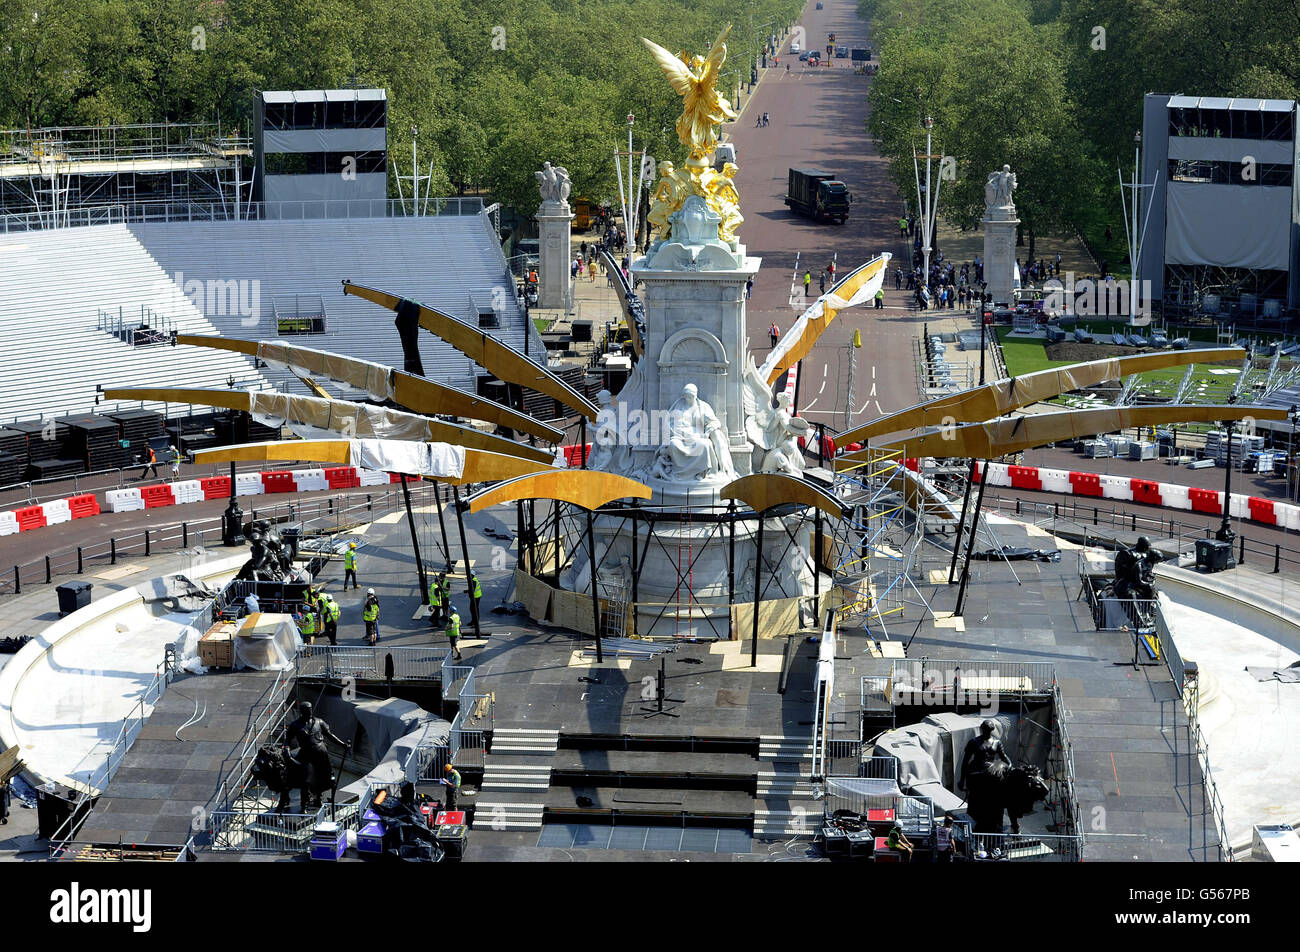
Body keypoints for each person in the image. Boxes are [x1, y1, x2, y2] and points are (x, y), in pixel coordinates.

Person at [284, 701, 345, 812]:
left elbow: (330, 735)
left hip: (321, 753)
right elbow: (287, 740)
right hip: (306, 754)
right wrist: (286, 751)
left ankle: (318, 798)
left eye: (311, 709)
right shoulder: (295, 725)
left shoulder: (319, 722)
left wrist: (343, 744)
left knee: (324, 777)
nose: (310, 711)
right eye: (307, 710)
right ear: (302, 711)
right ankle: (304, 805)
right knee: (306, 780)